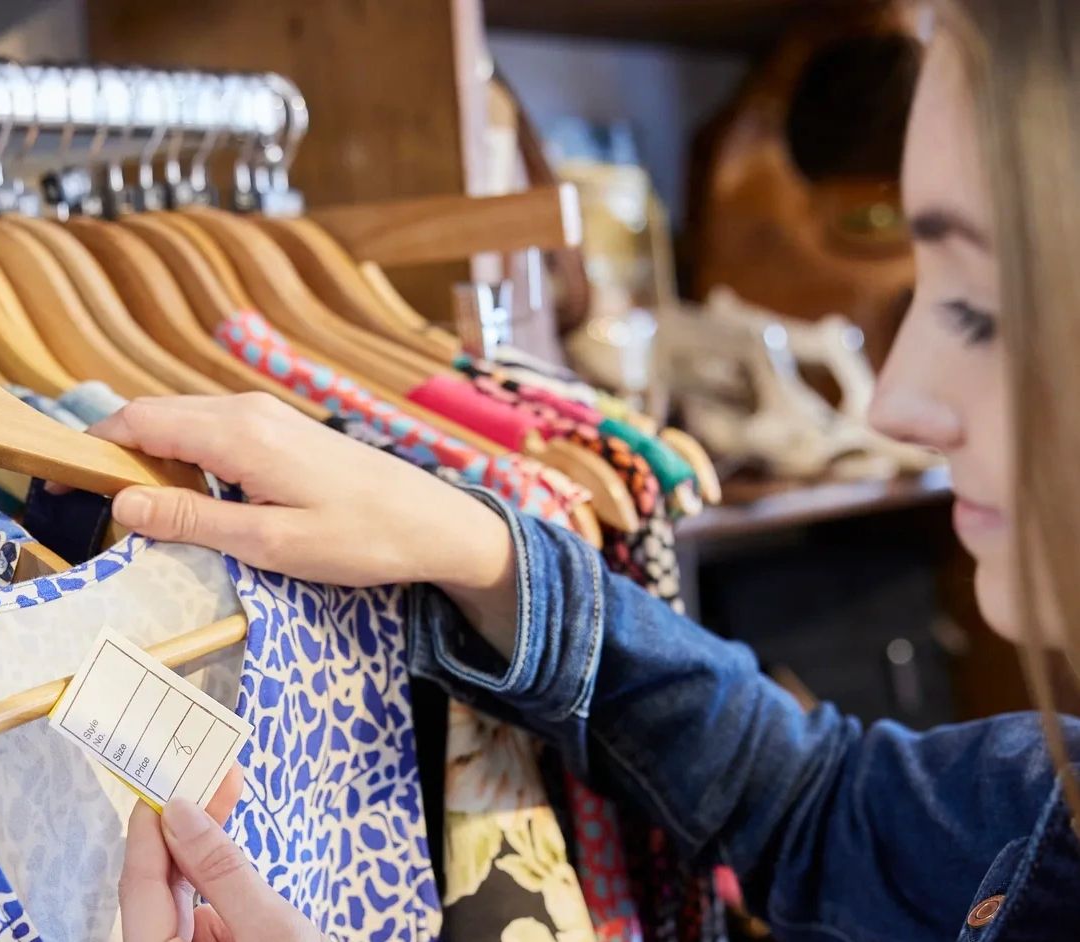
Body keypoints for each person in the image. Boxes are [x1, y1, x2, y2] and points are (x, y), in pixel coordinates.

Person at [106, 1, 1080, 939]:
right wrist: (481, 551)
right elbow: (806, 803)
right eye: (926, 288)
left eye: (983, 313)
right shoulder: (1052, 807)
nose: (892, 402)